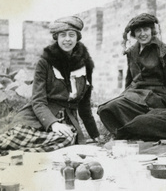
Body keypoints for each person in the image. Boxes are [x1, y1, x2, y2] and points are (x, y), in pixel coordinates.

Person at [0, 16, 101, 152]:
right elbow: (38, 101)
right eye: (63, 35)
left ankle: (21, 153)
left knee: (67, 137)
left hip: (66, 122)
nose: (67, 39)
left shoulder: (86, 65)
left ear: (77, 38)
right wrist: (53, 123)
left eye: (72, 35)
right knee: (18, 135)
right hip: (36, 117)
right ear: (56, 38)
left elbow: (84, 105)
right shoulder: (45, 63)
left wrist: (95, 135)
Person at [97, 13, 166, 137]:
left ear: (152, 30)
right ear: (134, 34)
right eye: (138, 30)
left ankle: (137, 134)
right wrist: (123, 97)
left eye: (146, 29)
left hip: (155, 98)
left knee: (137, 118)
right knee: (105, 109)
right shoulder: (131, 52)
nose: (142, 34)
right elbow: (129, 80)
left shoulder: (164, 51)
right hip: (134, 96)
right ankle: (126, 136)